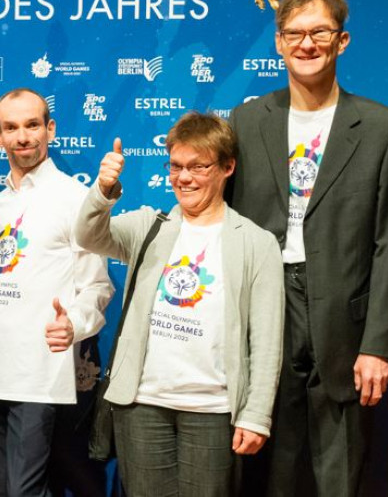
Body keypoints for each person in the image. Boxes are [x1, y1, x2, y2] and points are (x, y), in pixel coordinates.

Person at [225, 0, 388, 494]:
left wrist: (377, 345)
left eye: (320, 32)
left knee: (340, 469)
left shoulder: (384, 129)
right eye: (295, 33)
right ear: (279, 43)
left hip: (343, 321)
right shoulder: (246, 123)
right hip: (266, 308)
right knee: (267, 463)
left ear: (341, 41)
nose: (307, 43)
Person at [77, 112, 284, 496]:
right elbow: (89, 236)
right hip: (141, 406)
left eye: (197, 167)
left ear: (227, 167)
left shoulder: (256, 243)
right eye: (175, 166)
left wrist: (256, 415)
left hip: (213, 411)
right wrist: (104, 189)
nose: (183, 178)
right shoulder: (148, 226)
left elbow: (268, 341)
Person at [0, 88, 114, 497]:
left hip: (39, 375)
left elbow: (98, 286)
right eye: (11, 128)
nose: (23, 136)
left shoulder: (76, 199)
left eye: (32, 125)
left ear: (50, 129)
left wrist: (74, 324)